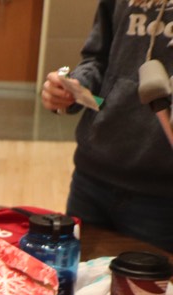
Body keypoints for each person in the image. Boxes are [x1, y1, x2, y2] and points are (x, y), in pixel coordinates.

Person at [40, 0, 173, 252]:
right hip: (91, 177)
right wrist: (72, 87)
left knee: (145, 291)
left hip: (161, 195)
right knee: (77, 283)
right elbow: (97, 59)